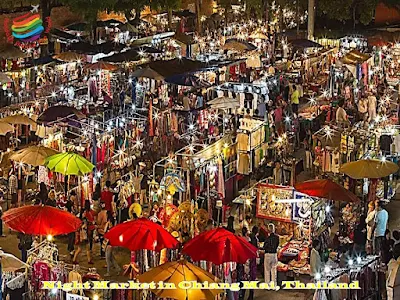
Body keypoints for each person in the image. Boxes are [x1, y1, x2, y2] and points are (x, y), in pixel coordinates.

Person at [104, 212, 121, 277]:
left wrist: (107, 224)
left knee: (108, 259)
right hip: (110, 244)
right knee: (111, 258)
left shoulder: (110, 227)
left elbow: (105, 231)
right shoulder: (114, 228)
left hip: (109, 244)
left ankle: (109, 272)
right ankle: (118, 268)